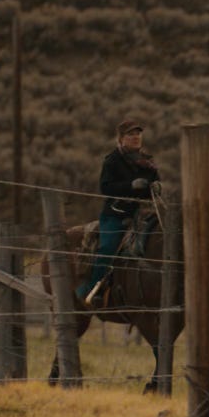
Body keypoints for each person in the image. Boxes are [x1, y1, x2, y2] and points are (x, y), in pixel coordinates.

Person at [80, 118, 162, 307]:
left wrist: (157, 187)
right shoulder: (113, 160)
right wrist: (130, 186)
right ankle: (94, 290)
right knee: (108, 247)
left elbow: (155, 184)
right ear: (121, 138)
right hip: (116, 214)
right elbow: (106, 187)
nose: (135, 137)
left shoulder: (148, 161)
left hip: (144, 215)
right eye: (130, 134)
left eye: (138, 133)